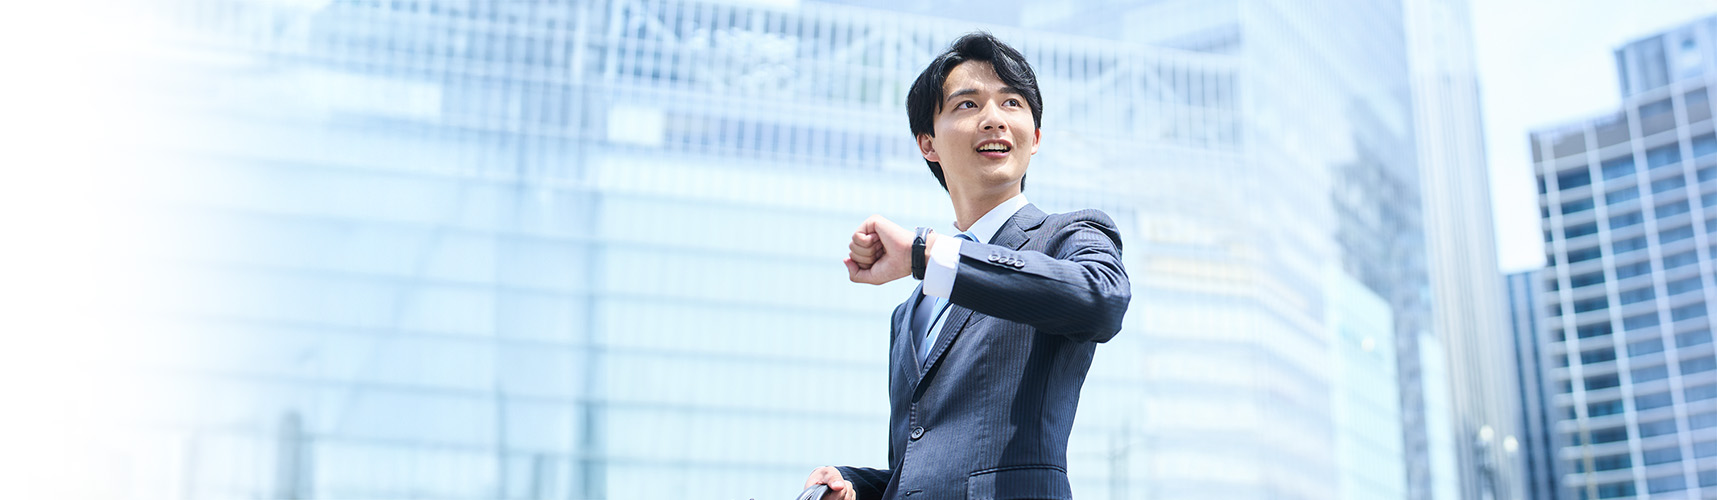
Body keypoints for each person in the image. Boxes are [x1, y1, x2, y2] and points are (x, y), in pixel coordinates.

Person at [803, 32, 1132, 500]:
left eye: (1012, 103)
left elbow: (1100, 300)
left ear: (1035, 138)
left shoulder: (1069, 234)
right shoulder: (910, 312)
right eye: (968, 104)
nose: (994, 118)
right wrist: (855, 485)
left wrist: (927, 254)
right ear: (928, 143)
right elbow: (921, 464)